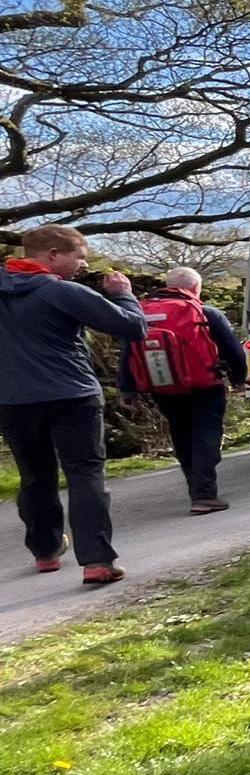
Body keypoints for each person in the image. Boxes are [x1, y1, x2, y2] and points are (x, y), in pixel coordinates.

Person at [0, 224, 147, 585]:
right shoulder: (61, 291)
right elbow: (132, 327)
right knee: (85, 474)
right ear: (52, 254)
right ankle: (97, 561)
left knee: (35, 475)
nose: (83, 265)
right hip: (72, 395)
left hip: (12, 399)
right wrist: (123, 294)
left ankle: (46, 551)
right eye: (79, 256)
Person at [113, 267, 246, 516]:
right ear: (195, 288)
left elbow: (128, 353)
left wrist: (128, 389)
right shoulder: (206, 313)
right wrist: (239, 379)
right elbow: (233, 350)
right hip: (205, 385)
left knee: (181, 434)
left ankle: (195, 490)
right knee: (206, 436)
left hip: (163, 387)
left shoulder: (141, 313)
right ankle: (204, 494)